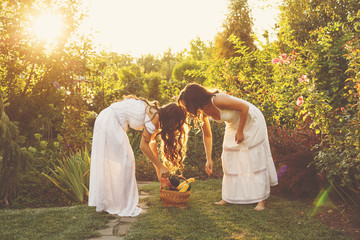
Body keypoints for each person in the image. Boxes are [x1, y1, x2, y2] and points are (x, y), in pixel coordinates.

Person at [178, 83, 278, 211]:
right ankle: (228, 197)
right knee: (228, 156)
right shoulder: (202, 111)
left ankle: (261, 200)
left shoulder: (217, 100)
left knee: (253, 157)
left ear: (194, 99)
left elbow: (244, 107)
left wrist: (240, 131)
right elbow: (207, 136)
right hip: (233, 124)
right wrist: (209, 159)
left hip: (251, 120)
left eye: (186, 104)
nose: (186, 108)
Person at [88, 95, 188, 217]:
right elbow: (143, 146)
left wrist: (158, 170)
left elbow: (151, 144)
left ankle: (118, 202)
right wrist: (161, 166)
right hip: (110, 121)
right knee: (127, 162)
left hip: (107, 119)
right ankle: (126, 205)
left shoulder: (155, 114)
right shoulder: (155, 116)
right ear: (171, 118)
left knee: (120, 163)